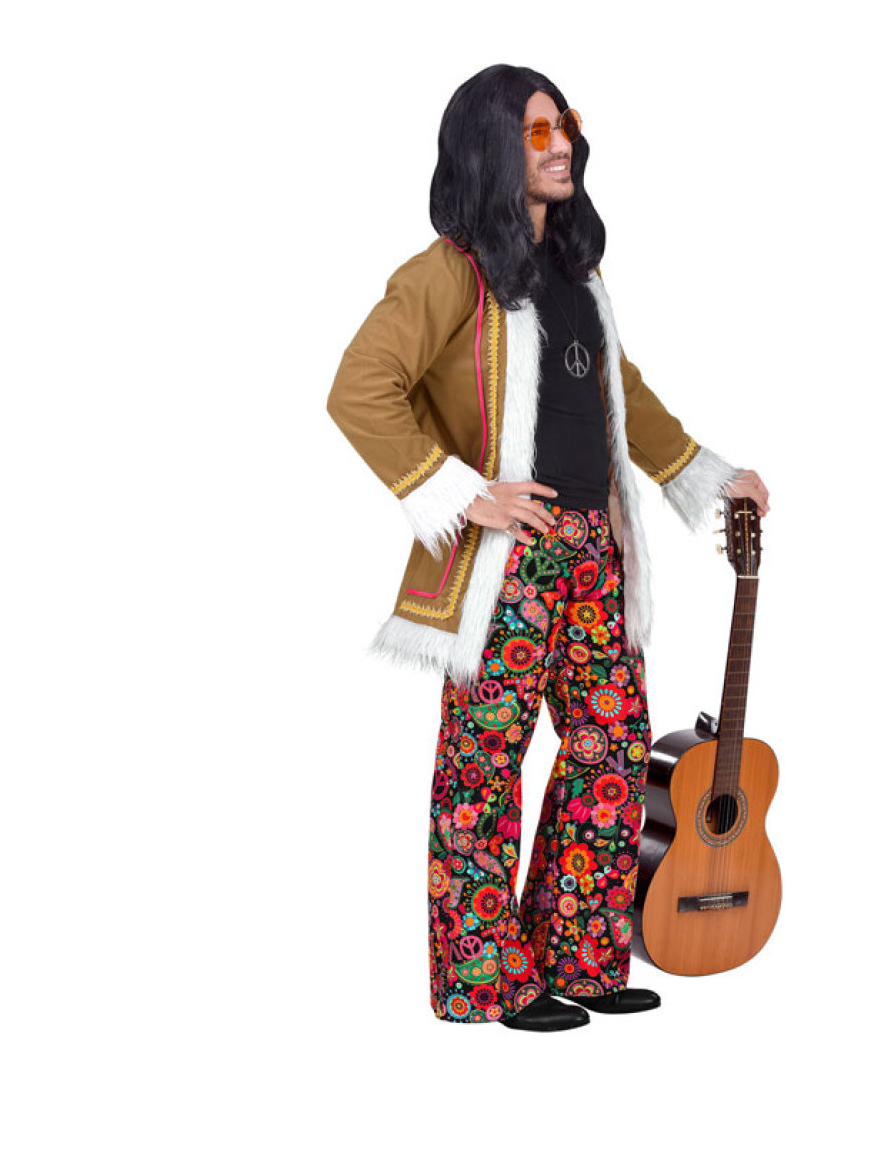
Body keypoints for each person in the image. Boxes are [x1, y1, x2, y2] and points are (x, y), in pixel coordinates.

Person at [325, 65, 770, 1032]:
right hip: (509, 560)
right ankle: (486, 979)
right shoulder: (449, 271)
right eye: (536, 132)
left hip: (595, 553)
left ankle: (578, 951)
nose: (562, 143)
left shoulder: (579, 276)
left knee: (612, 747)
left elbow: (623, 396)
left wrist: (707, 474)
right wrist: (462, 495)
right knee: (485, 766)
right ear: (492, 145)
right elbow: (361, 385)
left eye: (563, 124)